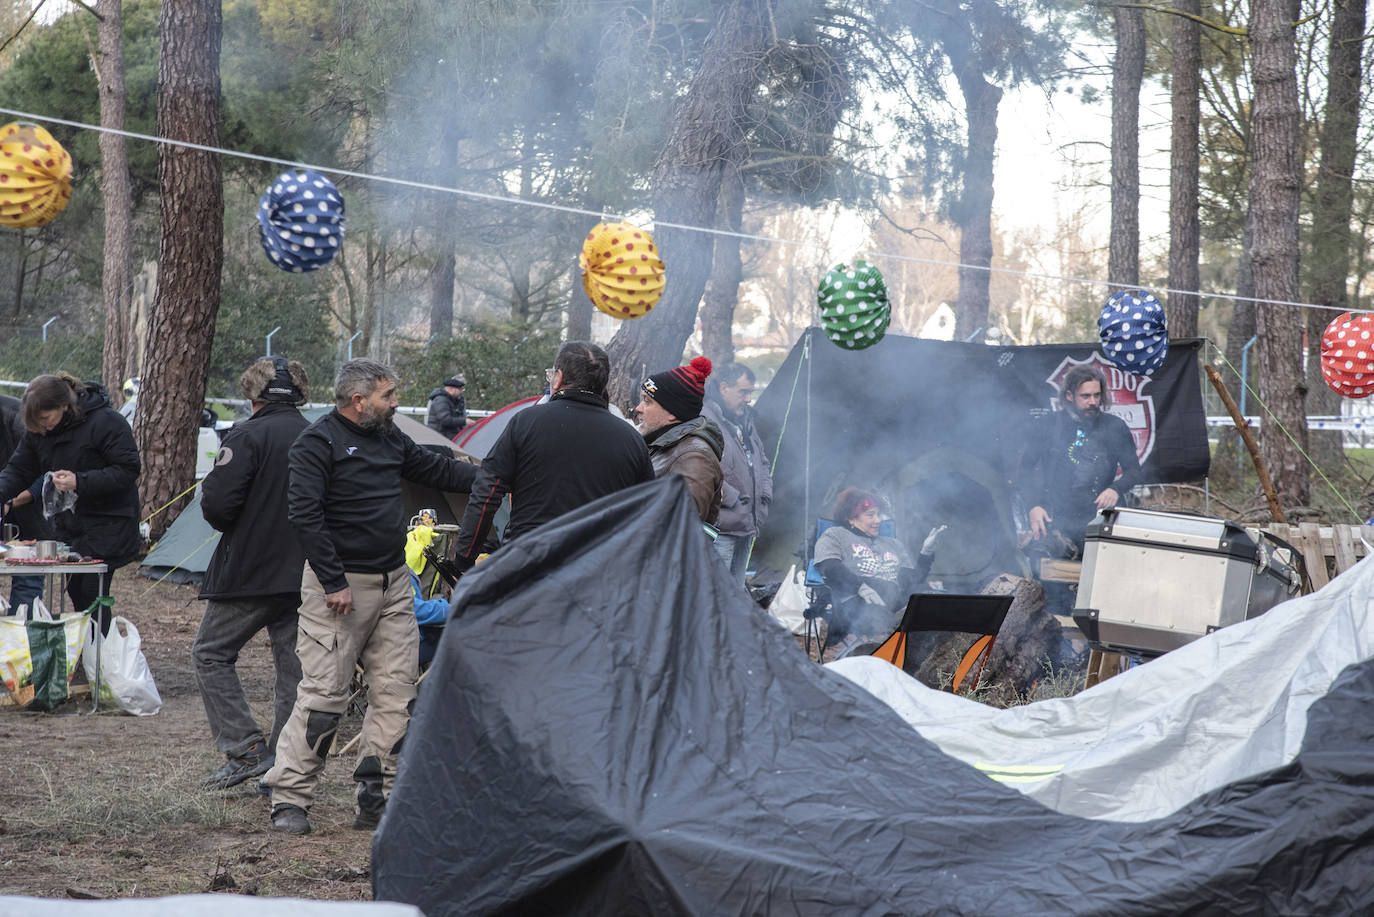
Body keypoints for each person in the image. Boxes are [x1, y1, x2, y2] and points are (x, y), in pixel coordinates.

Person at [264, 359, 478, 836]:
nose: (396, 402)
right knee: (324, 699)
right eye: (388, 395)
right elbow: (305, 515)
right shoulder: (317, 444)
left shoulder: (390, 437)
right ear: (359, 401)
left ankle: (376, 796)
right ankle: (290, 799)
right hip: (337, 588)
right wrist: (333, 580)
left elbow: (437, 469)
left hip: (395, 583)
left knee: (397, 693)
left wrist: (497, 475)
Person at [193, 357, 310, 791]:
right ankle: (283, 764)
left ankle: (246, 750)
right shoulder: (319, 436)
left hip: (250, 572)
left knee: (210, 653)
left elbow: (219, 507)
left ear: (252, 393)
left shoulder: (244, 436)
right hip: (310, 574)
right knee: (294, 672)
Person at [453, 341, 654, 571]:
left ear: (558, 378)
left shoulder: (525, 423)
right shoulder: (631, 439)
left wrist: (463, 561)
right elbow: (649, 513)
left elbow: (486, 493)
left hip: (528, 568)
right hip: (598, 574)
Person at [0, 373, 140, 633]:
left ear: (64, 405)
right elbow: (19, 469)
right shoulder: (39, 432)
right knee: (78, 589)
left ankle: (100, 654)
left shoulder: (106, 422)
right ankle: (88, 651)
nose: (43, 427)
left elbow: (128, 469)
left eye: (45, 419)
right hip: (73, 523)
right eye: (36, 423)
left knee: (90, 590)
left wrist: (80, 481)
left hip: (110, 521)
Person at [1021, 364, 1142, 553]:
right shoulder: (1048, 425)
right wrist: (1033, 506)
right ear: (1069, 396)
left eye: (1096, 395)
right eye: (1085, 396)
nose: (1092, 402)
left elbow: (1134, 471)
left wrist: (1115, 489)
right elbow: (1025, 470)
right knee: (1052, 577)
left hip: (1098, 519)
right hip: (1056, 518)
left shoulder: (1115, 426)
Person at [813, 488, 940, 657]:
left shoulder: (893, 544)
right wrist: (861, 587)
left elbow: (912, 582)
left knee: (931, 610)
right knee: (882, 616)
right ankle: (881, 652)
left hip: (896, 602)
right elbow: (829, 567)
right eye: (870, 515)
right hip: (857, 603)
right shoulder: (835, 536)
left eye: (879, 514)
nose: (878, 520)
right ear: (851, 517)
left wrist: (926, 553)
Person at [701, 362, 772, 582]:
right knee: (716, 596)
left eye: (751, 392)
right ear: (724, 388)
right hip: (720, 529)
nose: (749, 399)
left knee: (736, 597)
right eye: (744, 392)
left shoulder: (745, 422)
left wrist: (764, 497)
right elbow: (702, 469)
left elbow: (762, 462)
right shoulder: (704, 420)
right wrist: (734, 500)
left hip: (746, 525)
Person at [636, 356, 724, 525]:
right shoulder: (664, 443)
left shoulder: (694, 457)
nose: (639, 408)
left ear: (672, 413)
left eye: (648, 401)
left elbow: (680, 525)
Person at [0, 393, 52, 614]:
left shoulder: (20, 419)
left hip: (28, 510)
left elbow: (46, 470)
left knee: (28, 579)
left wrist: (12, 501)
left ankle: (21, 640)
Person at [424, 374, 467, 439]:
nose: (461, 391)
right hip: (440, 436)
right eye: (460, 388)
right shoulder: (440, 399)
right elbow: (445, 419)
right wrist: (464, 421)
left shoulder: (458, 399)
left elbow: (460, 415)